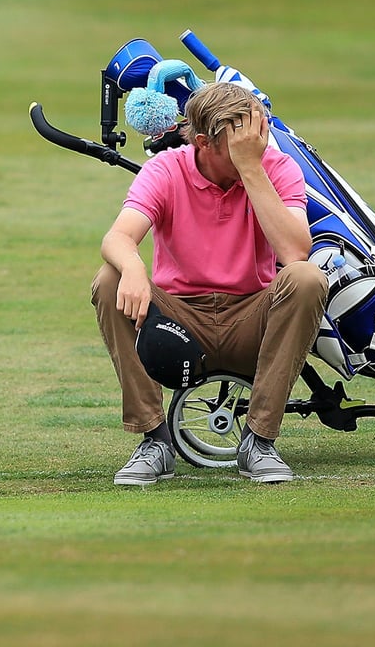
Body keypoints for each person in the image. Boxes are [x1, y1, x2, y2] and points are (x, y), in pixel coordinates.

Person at [92, 81, 328, 485]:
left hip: (251, 319)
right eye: (240, 142)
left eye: (258, 135)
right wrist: (132, 268)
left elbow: (294, 252)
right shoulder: (165, 169)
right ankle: (155, 441)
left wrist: (251, 169)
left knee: (306, 278)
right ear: (203, 142)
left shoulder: (276, 167)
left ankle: (259, 441)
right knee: (109, 278)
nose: (254, 147)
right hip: (179, 322)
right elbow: (117, 238)